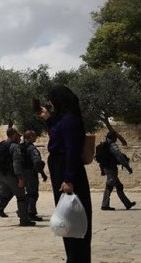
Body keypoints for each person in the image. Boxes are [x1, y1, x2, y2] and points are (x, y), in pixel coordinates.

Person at [38, 85, 92, 262]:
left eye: (53, 99)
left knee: (73, 215)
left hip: (67, 168)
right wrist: (47, 119)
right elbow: (58, 134)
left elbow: (72, 150)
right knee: (66, 215)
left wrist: (68, 178)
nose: (51, 103)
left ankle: (78, 257)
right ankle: (73, 256)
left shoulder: (70, 120)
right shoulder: (64, 119)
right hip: (60, 167)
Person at [0, 128, 35, 228]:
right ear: (13, 135)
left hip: (0, 175)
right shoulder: (14, 147)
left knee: (1, 196)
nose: (20, 138)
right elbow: (17, 163)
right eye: (18, 135)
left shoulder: (1, 145)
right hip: (12, 176)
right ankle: (24, 220)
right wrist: (20, 178)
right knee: (21, 197)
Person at [99, 131, 135, 211]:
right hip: (111, 168)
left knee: (118, 186)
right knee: (109, 185)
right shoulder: (112, 145)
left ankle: (127, 204)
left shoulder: (104, 145)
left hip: (106, 167)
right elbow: (119, 156)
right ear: (113, 138)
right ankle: (104, 205)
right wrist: (127, 167)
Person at [21, 130, 48, 221]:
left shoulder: (21, 147)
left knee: (28, 193)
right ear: (30, 137)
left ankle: (25, 210)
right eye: (34, 136)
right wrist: (43, 174)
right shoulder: (32, 148)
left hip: (22, 173)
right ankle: (31, 213)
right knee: (33, 193)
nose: (36, 137)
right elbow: (37, 162)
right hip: (31, 173)